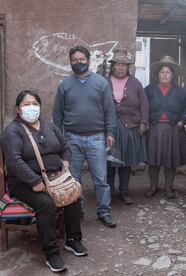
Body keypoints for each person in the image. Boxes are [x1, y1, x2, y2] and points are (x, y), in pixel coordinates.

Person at [0, 90, 87, 273]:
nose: (31, 107)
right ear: (18, 109)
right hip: (25, 184)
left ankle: (73, 240)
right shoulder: (13, 131)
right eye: (26, 104)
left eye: (35, 104)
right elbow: (14, 161)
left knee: (74, 193)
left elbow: (65, 148)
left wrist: (65, 162)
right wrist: (33, 181)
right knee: (45, 203)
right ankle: (52, 253)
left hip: (55, 177)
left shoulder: (49, 126)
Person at [53, 45, 117, 228]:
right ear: (70, 62)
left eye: (82, 59)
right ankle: (76, 213)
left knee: (101, 180)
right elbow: (57, 114)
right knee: (73, 180)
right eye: (74, 60)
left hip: (97, 138)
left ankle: (104, 212)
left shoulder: (101, 83)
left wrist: (110, 132)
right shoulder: (65, 85)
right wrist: (59, 139)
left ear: (88, 61)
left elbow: (110, 110)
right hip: (72, 139)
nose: (78, 63)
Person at [106, 49, 149, 205]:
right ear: (112, 66)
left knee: (125, 162)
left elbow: (144, 103)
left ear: (128, 67)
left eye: (124, 65)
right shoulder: (104, 82)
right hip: (110, 129)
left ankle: (124, 191)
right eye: (117, 64)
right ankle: (109, 191)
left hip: (129, 127)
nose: (120, 68)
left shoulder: (135, 83)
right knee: (109, 161)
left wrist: (144, 121)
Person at [144, 56, 186, 199]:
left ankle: (169, 188)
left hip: (173, 129)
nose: (164, 75)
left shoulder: (180, 92)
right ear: (157, 74)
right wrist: (145, 122)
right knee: (153, 160)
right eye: (162, 72)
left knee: (170, 160)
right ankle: (153, 187)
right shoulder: (149, 90)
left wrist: (182, 122)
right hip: (154, 129)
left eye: (167, 72)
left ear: (172, 75)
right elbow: (143, 108)